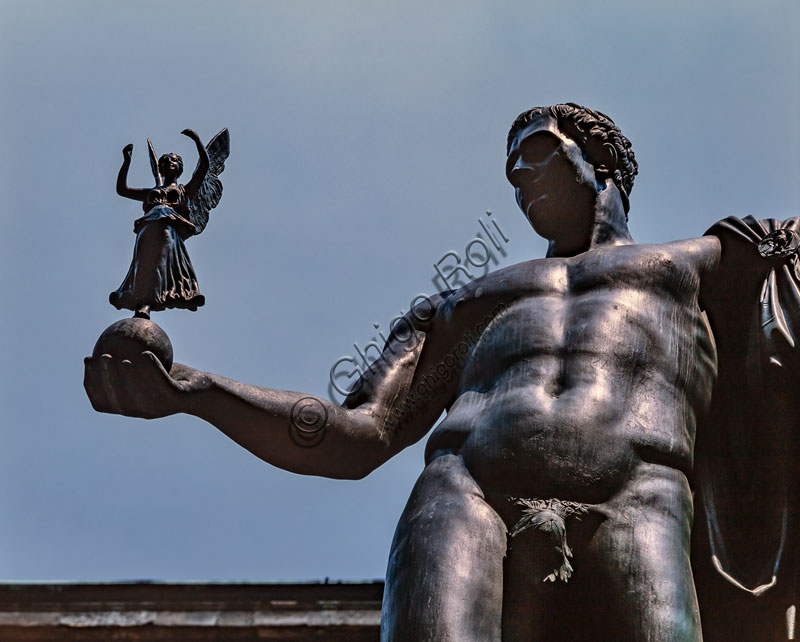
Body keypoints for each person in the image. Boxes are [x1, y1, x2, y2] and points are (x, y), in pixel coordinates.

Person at [85, 104, 797, 641]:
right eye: (510, 168)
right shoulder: (459, 307)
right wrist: (193, 392)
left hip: (637, 498)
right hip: (465, 501)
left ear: (600, 159)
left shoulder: (705, 264)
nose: (519, 174)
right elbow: (357, 436)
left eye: (538, 151)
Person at [110, 129, 209, 318]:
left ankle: (147, 304)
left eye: (174, 160)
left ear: (180, 168)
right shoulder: (151, 191)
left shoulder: (184, 190)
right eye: (166, 161)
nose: (170, 162)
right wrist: (126, 161)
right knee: (143, 264)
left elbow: (204, 166)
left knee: (158, 263)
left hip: (168, 227)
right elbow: (122, 189)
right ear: (161, 168)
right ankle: (138, 299)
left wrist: (196, 139)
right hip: (147, 227)